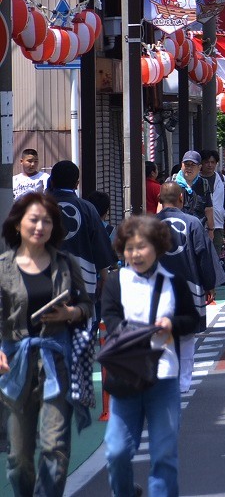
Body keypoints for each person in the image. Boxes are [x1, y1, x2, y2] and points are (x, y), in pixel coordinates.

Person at [0, 192, 93, 497]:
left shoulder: (65, 263)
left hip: (57, 362)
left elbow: (86, 306)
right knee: (18, 458)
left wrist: (71, 312)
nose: (40, 226)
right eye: (34, 219)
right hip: (15, 362)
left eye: (47, 221)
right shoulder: (3, 266)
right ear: (17, 224)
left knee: (55, 447)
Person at [102, 216, 200, 497]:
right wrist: (130, 332)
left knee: (164, 455)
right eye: (129, 248)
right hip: (127, 374)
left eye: (141, 247)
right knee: (117, 452)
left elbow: (191, 320)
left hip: (164, 376)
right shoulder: (117, 282)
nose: (135, 254)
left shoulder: (173, 282)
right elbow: (109, 316)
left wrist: (172, 325)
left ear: (157, 247)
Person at [155, 183, 219, 394]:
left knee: (161, 334)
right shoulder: (193, 222)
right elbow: (203, 255)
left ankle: (165, 378)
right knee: (187, 336)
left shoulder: (147, 224)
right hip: (190, 287)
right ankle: (183, 382)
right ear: (181, 198)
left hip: (157, 289)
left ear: (158, 198)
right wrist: (209, 284)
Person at [45, 161, 118, 300]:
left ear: (52, 181)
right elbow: (100, 247)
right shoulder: (88, 209)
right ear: (77, 183)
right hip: (83, 280)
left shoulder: (38, 207)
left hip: (44, 278)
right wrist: (103, 278)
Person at [172, 151, 215, 238]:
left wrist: (211, 230)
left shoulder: (204, 184)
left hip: (198, 233)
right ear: (181, 165)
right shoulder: (172, 182)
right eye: (186, 164)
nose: (189, 168)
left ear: (199, 167)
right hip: (176, 233)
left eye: (193, 165)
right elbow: (162, 207)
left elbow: (208, 209)